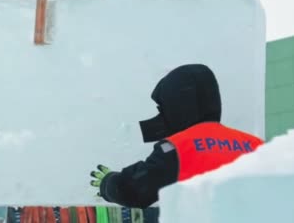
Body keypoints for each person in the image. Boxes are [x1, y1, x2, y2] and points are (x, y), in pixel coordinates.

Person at [90, 64, 264, 208]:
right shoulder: (256, 145)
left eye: (164, 108)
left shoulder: (180, 147)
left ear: (178, 106)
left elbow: (134, 189)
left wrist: (108, 183)